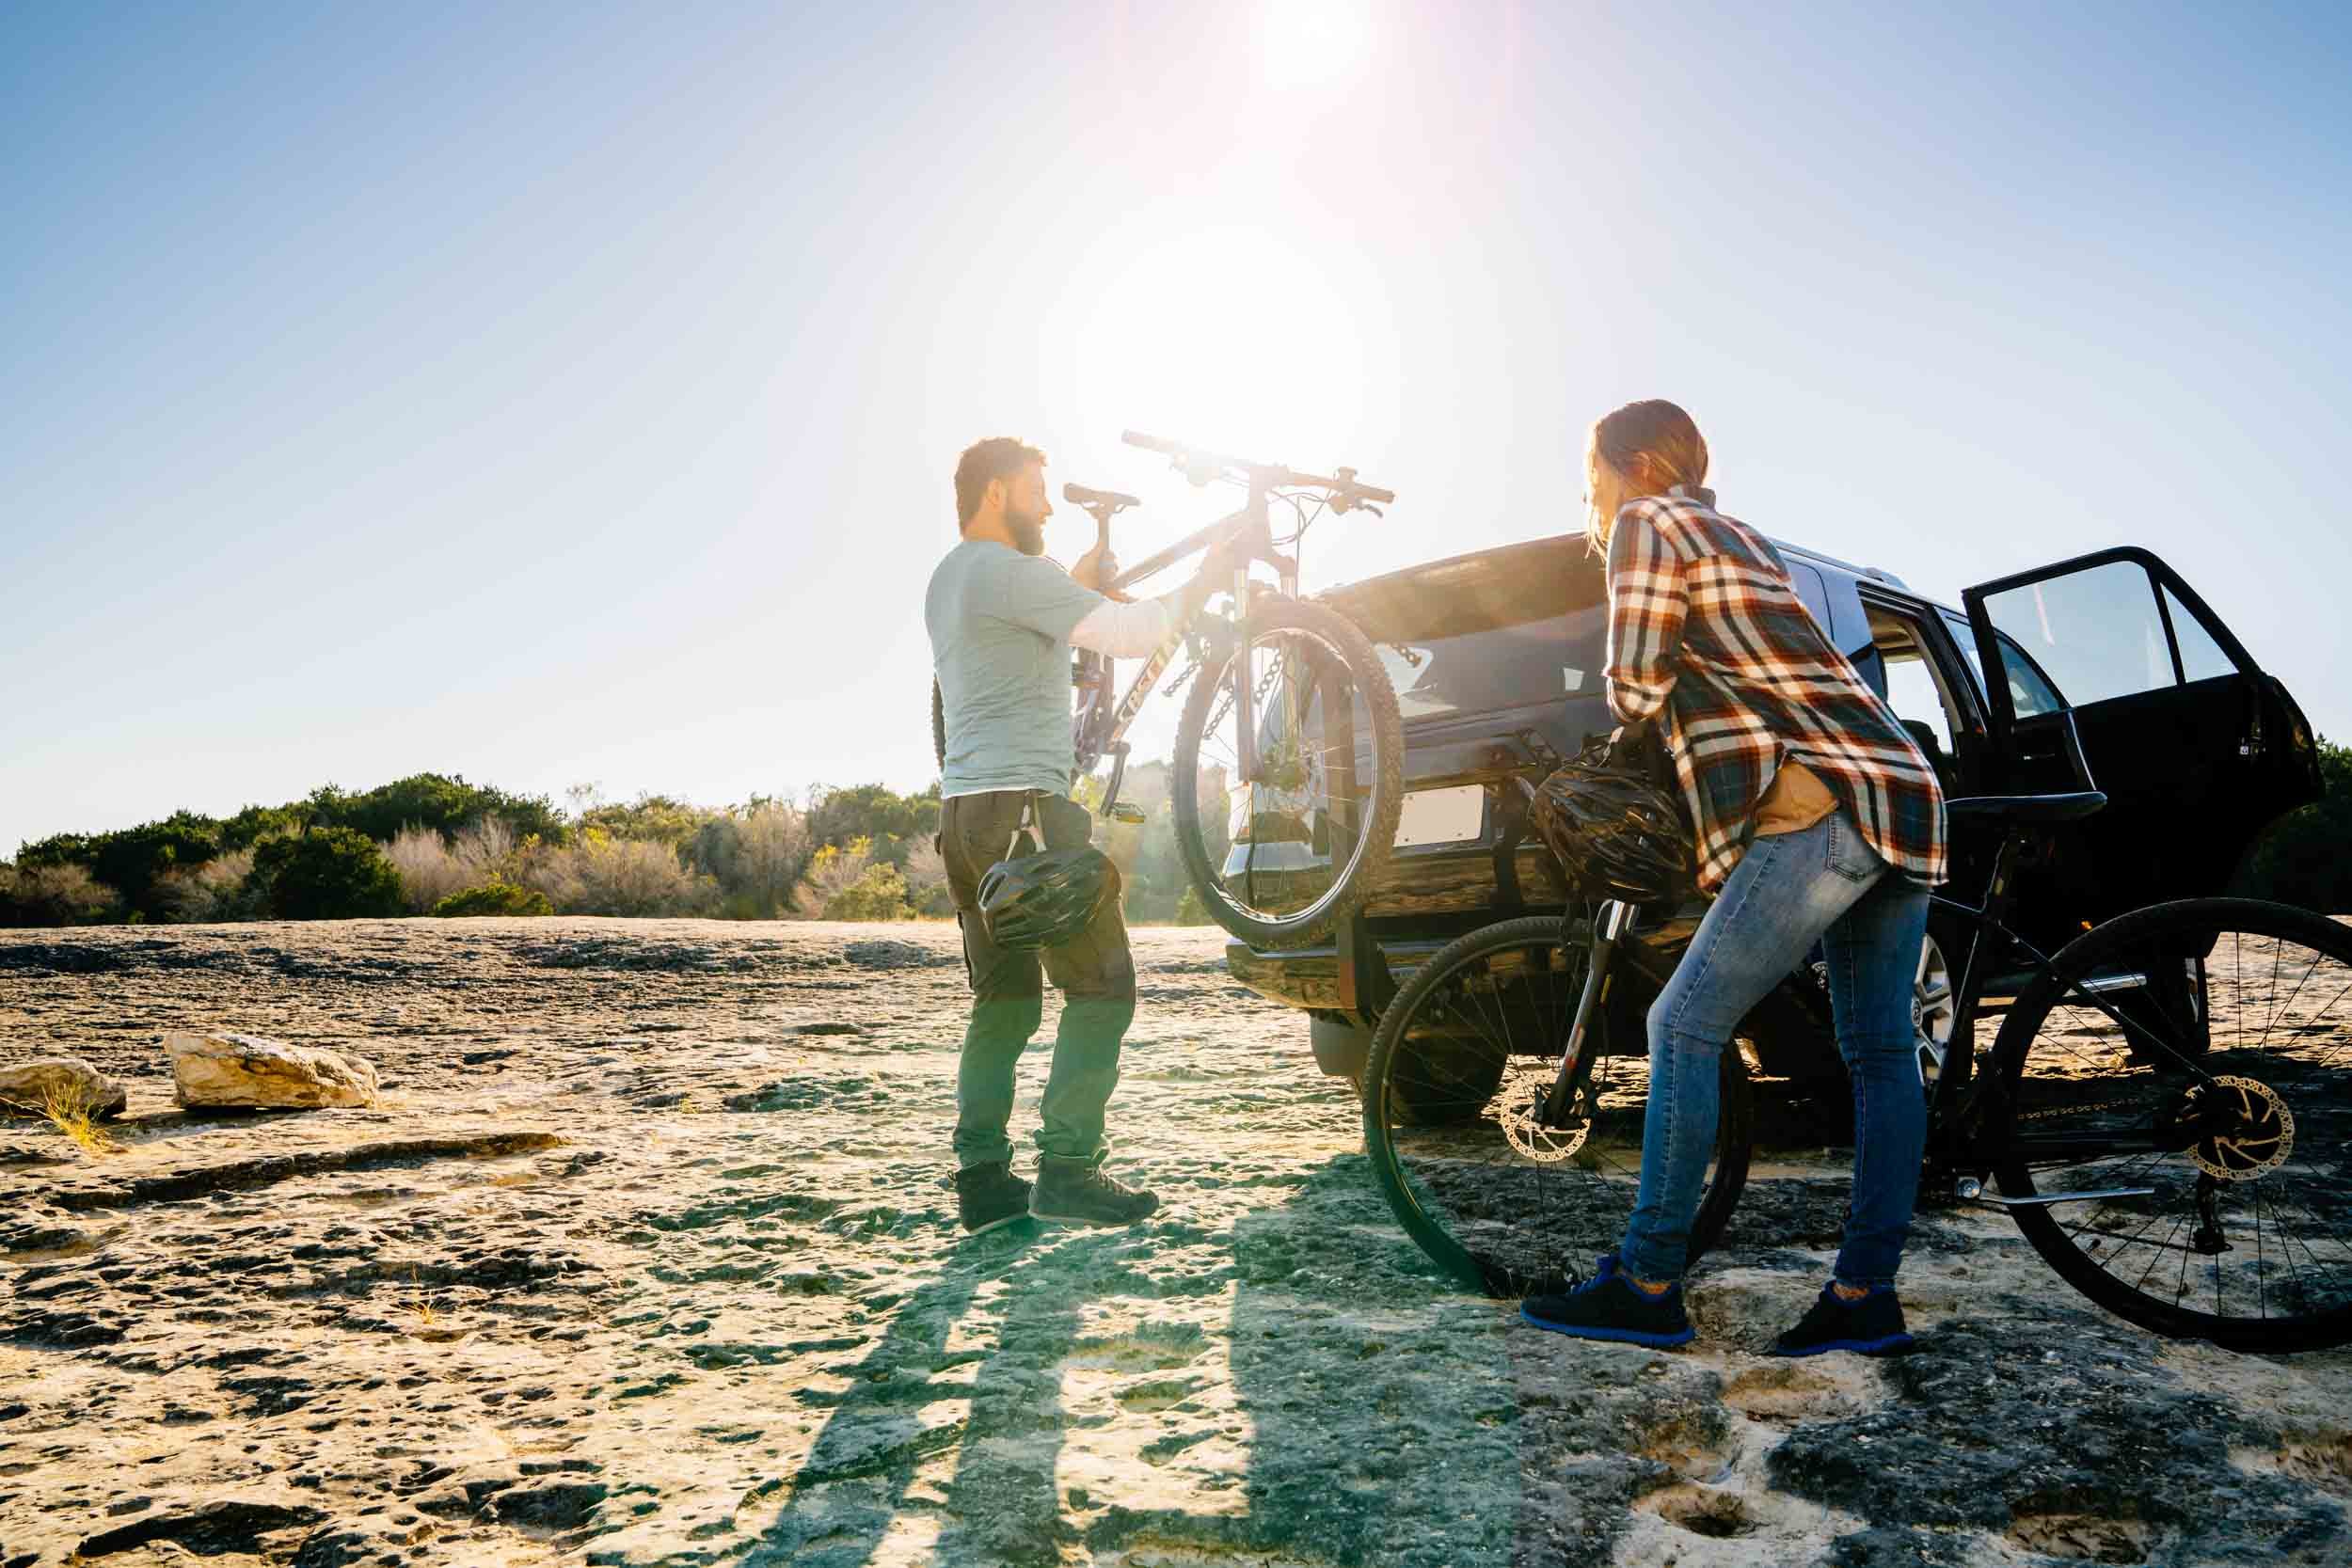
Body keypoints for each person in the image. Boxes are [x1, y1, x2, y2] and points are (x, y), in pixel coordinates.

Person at [1518, 400, 1947, 1356]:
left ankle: (1647, 1280)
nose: (1586, 488)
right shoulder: (1737, 532)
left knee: (1682, 1023)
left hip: (1818, 804)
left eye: (1589, 467)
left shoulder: (1647, 522)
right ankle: (1862, 1295)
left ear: (1628, 462)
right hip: (1896, 786)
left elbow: (1634, 682)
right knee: (1880, 1050)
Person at [927, 436, 1242, 1235]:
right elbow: (1133, 635)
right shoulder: (1009, 572)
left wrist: (1074, 586)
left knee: (1002, 998)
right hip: (1030, 812)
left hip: (964, 816)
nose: (1048, 504)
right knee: (1103, 986)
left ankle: (983, 1180)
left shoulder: (953, 576)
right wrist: (1206, 580)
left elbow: (1044, 617)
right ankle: (1068, 1168)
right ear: (995, 493)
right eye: (1036, 490)